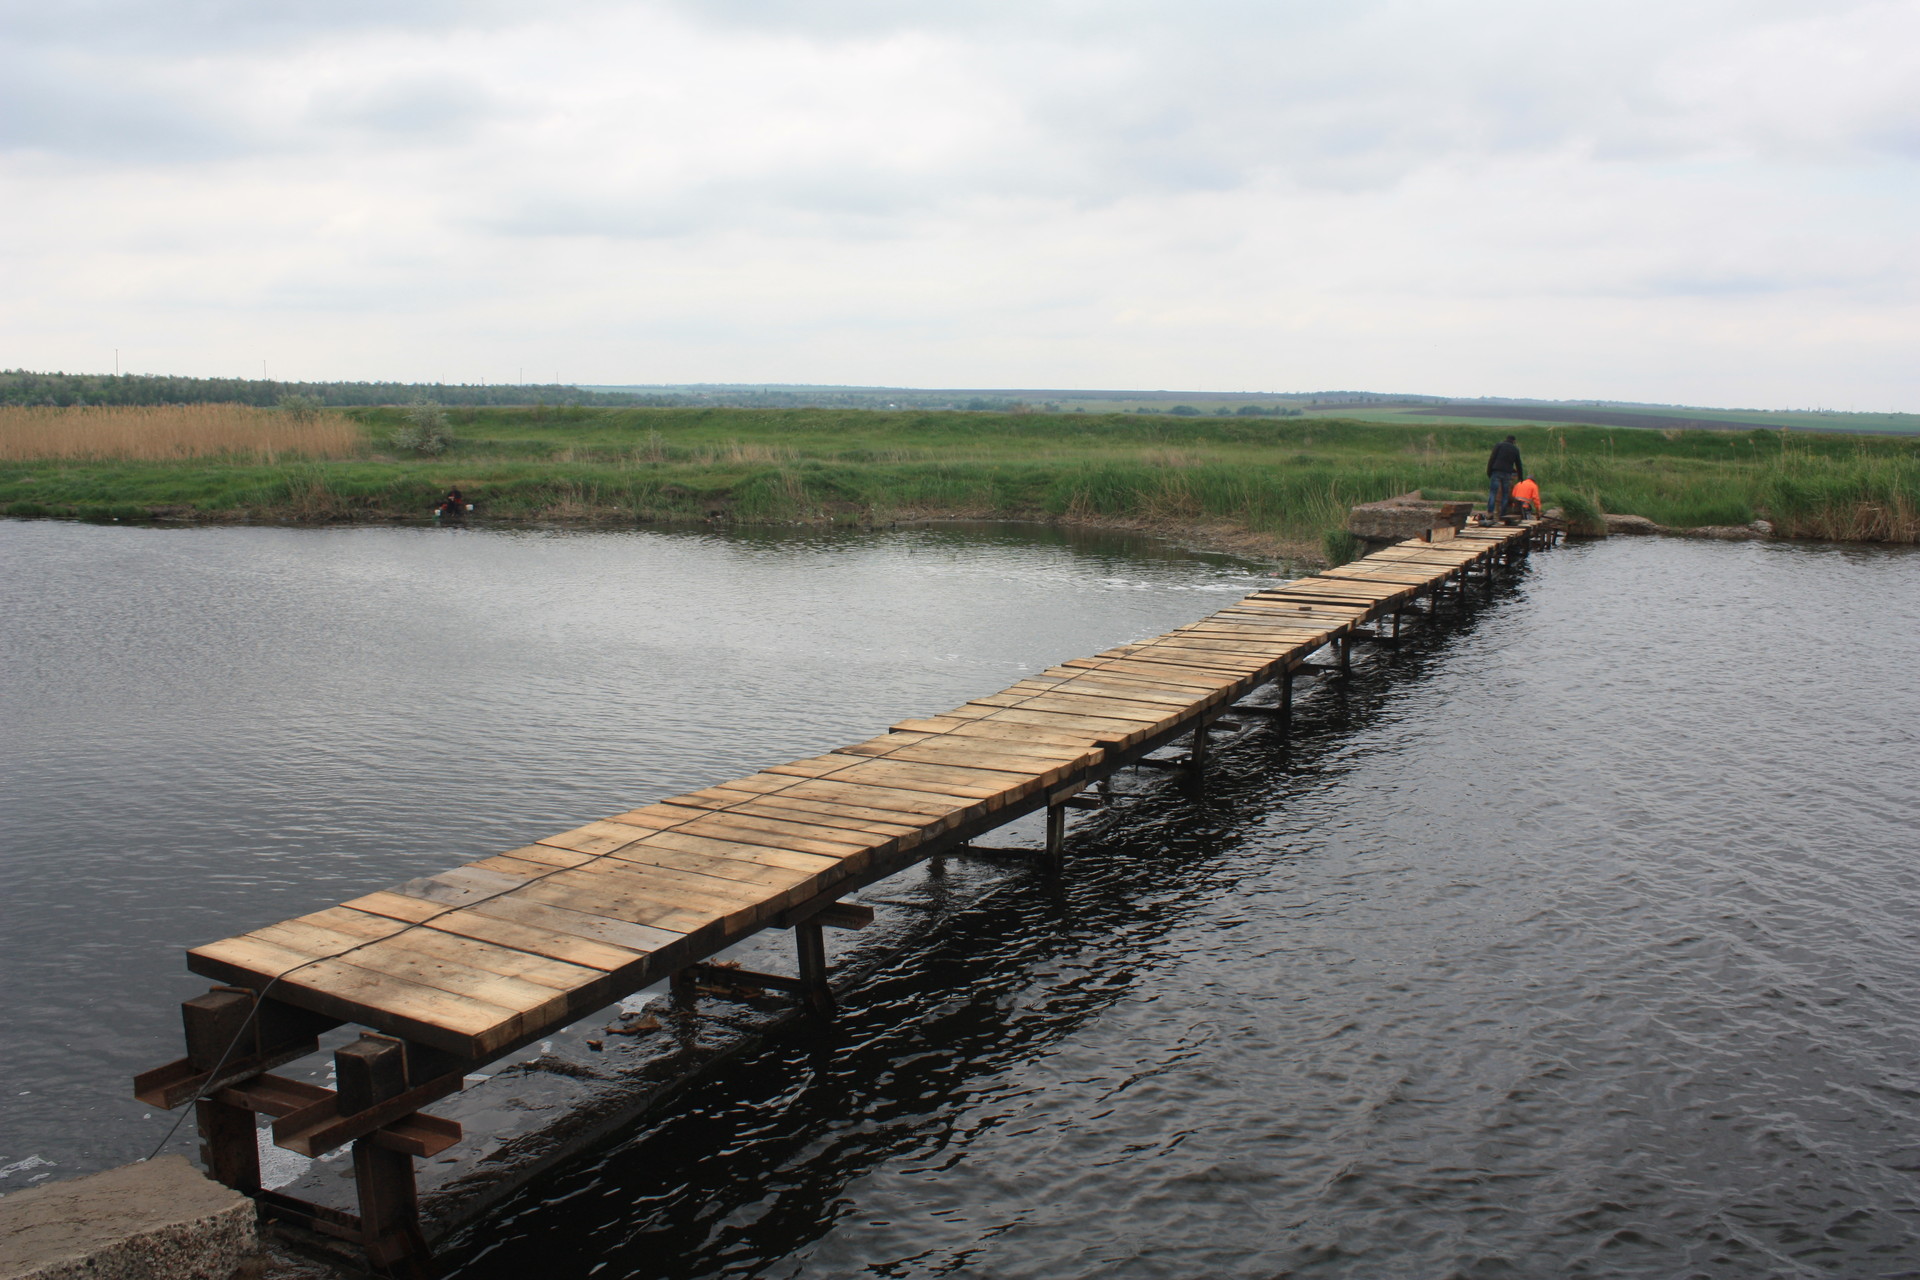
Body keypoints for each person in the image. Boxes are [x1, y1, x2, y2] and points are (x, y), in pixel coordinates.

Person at [1486, 435, 1523, 518]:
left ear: (1506, 439)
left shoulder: (1499, 445)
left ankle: (1490, 512)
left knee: (1493, 493)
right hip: (1507, 473)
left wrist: (1489, 471)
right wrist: (1520, 477)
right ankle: (1503, 514)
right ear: (1514, 441)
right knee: (1505, 494)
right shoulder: (1515, 449)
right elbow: (1518, 464)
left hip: (1496, 471)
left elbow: (1492, 458)